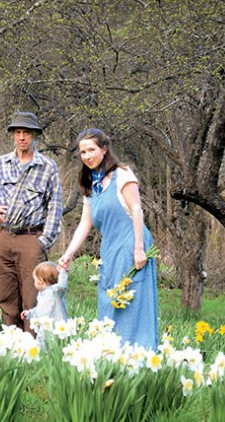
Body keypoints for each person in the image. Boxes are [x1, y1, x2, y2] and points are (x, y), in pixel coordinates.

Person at [58, 128, 158, 349]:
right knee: (110, 299)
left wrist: (139, 249)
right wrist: (69, 253)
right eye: (83, 152)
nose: (87, 156)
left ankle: (138, 354)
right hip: (111, 250)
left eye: (91, 150)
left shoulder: (122, 174)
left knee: (131, 301)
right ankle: (112, 353)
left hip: (132, 243)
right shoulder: (91, 184)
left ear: (104, 150)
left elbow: (137, 210)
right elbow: (86, 223)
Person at [0, 112, 63, 332]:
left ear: (34, 135)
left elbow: (55, 208)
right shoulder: (1, 163)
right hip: (3, 236)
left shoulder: (47, 167)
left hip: (32, 237)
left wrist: (43, 241)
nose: (21, 137)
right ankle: (11, 346)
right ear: (13, 135)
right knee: (6, 296)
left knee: (33, 298)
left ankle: (32, 348)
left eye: (26, 133)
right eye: (18, 132)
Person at [20, 261, 68, 348]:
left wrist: (63, 273)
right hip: (44, 328)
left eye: (35, 279)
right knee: (43, 349)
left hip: (56, 328)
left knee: (56, 349)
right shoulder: (42, 294)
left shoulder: (55, 291)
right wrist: (29, 313)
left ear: (41, 281)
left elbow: (62, 286)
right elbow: (40, 310)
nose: (34, 282)